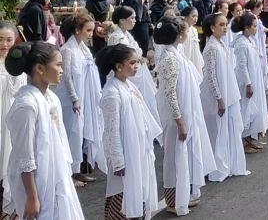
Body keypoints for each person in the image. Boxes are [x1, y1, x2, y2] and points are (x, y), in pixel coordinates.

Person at [5, 41, 85, 219]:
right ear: (40, 68)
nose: (62, 70)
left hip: (57, 175)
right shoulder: (26, 105)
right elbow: (25, 157)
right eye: (58, 65)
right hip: (37, 183)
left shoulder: (52, 98)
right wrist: (32, 197)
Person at [153, 16, 216, 216]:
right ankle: (174, 198)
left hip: (187, 112)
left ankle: (185, 193)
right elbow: (169, 93)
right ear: (179, 34)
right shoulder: (169, 58)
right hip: (177, 117)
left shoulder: (176, 53)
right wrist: (179, 121)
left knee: (185, 154)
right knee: (175, 156)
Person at [96, 44, 161, 220]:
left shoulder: (128, 86)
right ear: (118, 66)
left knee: (137, 194)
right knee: (122, 197)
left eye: (137, 62)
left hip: (137, 152)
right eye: (132, 62)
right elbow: (112, 130)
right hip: (125, 157)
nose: (136, 66)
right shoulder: (111, 92)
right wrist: (118, 162)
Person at [54, 13, 103, 188]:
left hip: (82, 96)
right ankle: (68, 173)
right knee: (70, 134)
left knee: (78, 134)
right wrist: (75, 99)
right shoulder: (67, 50)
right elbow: (66, 77)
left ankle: (77, 170)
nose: (91, 34)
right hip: (69, 99)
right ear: (77, 30)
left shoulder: (83, 48)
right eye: (88, 30)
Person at [200, 13, 250, 182]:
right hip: (220, 97)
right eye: (221, 25)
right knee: (219, 132)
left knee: (231, 130)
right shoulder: (211, 48)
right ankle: (218, 167)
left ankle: (230, 164)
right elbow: (211, 76)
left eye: (225, 24)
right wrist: (219, 98)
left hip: (230, 93)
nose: (225, 27)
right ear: (212, 28)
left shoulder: (221, 44)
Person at [106, 6, 158, 126]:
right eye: (132, 18)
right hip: (126, 74)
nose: (135, 20)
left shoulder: (127, 34)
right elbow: (122, 58)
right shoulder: (116, 37)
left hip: (136, 73)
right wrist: (138, 59)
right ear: (122, 20)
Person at [0, 22, 26, 216]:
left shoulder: (20, 65)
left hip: (13, 121)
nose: (5, 44)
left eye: (9, 39)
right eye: (0, 40)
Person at [232, 13, 267, 152]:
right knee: (245, 111)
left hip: (254, 79)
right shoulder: (241, 43)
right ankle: (243, 141)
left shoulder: (249, 41)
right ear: (246, 28)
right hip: (247, 82)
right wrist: (247, 84)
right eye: (254, 26)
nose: (256, 29)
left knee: (253, 110)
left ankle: (250, 138)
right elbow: (241, 66)